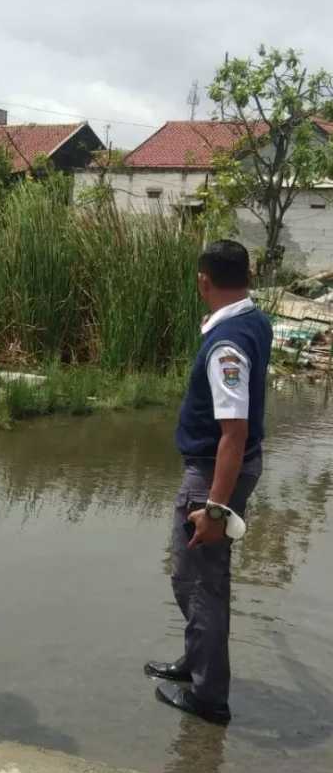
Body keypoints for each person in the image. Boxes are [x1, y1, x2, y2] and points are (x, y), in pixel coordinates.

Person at [145, 239, 272, 724]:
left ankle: (208, 697)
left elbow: (233, 433)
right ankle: (197, 662)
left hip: (214, 474)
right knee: (197, 578)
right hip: (220, 468)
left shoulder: (227, 344)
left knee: (199, 582)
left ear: (203, 281)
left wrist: (216, 508)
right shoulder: (253, 319)